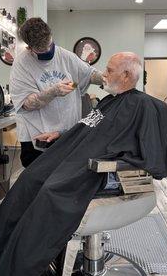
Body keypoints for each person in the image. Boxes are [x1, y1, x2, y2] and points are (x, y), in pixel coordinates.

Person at [0, 52, 167, 276]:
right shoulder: (108, 102)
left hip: (97, 172)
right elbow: (87, 128)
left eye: (109, 70)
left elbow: (155, 155)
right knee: (30, 178)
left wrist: (123, 164)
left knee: (51, 192)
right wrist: (61, 135)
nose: (103, 74)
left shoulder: (144, 107)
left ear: (127, 75)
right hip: (72, 159)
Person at [10, 17, 103, 168]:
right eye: (41, 50)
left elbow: (89, 74)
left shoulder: (66, 57)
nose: (47, 51)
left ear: (51, 37)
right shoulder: (21, 64)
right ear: (29, 48)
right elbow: (26, 104)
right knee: (38, 181)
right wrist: (52, 92)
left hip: (66, 134)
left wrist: (107, 78)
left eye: (48, 45)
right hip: (36, 136)